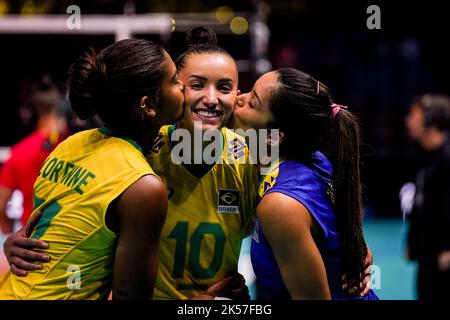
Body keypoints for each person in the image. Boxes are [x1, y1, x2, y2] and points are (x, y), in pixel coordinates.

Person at [0, 38, 184, 299]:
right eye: (175, 80)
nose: (184, 86)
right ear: (148, 105)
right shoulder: (144, 188)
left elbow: (58, 230)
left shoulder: (72, 144)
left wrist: (12, 241)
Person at [231, 68, 378, 299]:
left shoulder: (281, 205)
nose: (237, 97)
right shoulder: (313, 160)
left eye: (252, 102)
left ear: (273, 137)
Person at [0, 76, 69, 234]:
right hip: (76, 239)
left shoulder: (19, 152)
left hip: (33, 241)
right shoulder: (77, 145)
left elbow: (1, 206)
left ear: (29, 113)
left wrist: (9, 231)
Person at [404, 94, 450, 300]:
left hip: (445, 260)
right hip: (428, 257)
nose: (408, 120)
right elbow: (422, 204)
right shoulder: (425, 156)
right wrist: (412, 242)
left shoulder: (447, 159)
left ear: (430, 119)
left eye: (414, 115)